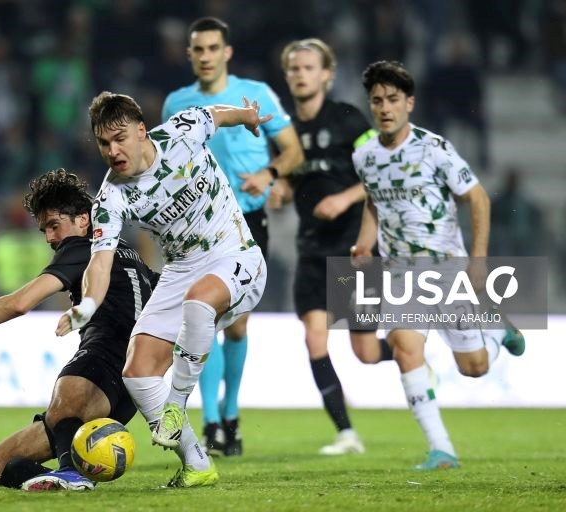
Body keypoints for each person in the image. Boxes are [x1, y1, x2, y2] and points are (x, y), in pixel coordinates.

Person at [55, 91, 270, 487]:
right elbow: (100, 261)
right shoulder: (111, 197)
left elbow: (218, 114)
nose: (113, 150)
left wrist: (247, 116)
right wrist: (86, 305)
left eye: (120, 138)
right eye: (104, 143)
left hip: (235, 253)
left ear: (142, 131)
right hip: (181, 269)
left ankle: (176, 403)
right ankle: (197, 462)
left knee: (199, 301)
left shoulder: (181, 133)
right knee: (137, 372)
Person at [0, 169, 156, 492]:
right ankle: (61, 479)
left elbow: (20, 303)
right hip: (127, 387)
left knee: (66, 393)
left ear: (83, 220)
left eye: (54, 225)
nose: (50, 238)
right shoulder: (133, 256)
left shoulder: (83, 248)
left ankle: (71, 473)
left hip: (99, 367)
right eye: (44, 230)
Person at [351, 61, 526, 470]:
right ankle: (441, 448)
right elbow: (374, 202)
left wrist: (478, 259)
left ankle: (498, 330)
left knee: (475, 368)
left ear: (409, 103)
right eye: (377, 100)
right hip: (398, 272)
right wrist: (364, 243)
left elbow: (478, 197)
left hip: (446, 269)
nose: (385, 107)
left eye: (393, 99)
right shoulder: (364, 156)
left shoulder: (435, 148)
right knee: (404, 346)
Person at [161, 16, 303, 457]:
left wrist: (269, 172)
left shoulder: (256, 95)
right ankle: (214, 423)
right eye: (197, 49)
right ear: (190, 55)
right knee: (201, 320)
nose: (205, 57)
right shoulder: (176, 103)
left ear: (227, 52)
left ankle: (231, 409)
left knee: (236, 325)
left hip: (247, 220)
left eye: (212, 48)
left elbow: (294, 150)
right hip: (198, 228)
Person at [274, 38, 395, 456]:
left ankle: (409, 350)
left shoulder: (347, 120)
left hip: (354, 250)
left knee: (364, 351)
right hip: (310, 250)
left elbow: (381, 172)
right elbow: (291, 177)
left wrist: (344, 198)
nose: (301, 74)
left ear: (326, 74)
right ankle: (346, 432)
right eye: (294, 68)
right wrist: (281, 191)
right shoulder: (286, 130)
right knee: (314, 339)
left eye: (309, 67)